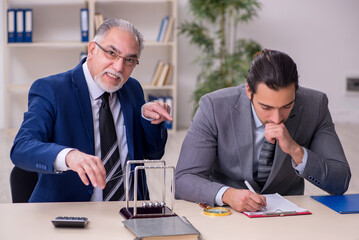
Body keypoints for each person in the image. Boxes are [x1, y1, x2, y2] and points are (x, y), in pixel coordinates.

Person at [10, 19, 173, 202]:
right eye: (111, 53)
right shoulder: (51, 90)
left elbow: (154, 153)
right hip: (70, 213)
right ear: (92, 50)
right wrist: (69, 156)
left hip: (131, 210)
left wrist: (149, 120)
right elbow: (21, 147)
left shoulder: (132, 89)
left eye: (129, 60)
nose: (119, 67)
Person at [175, 49, 351, 212]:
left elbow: (340, 181)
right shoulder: (213, 107)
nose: (276, 118)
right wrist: (227, 195)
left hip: (287, 218)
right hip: (227, 213)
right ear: (249, 91)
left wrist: (296, 151)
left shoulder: (315, 106)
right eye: (266, 107)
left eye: (287, 106)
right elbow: (182, 179)